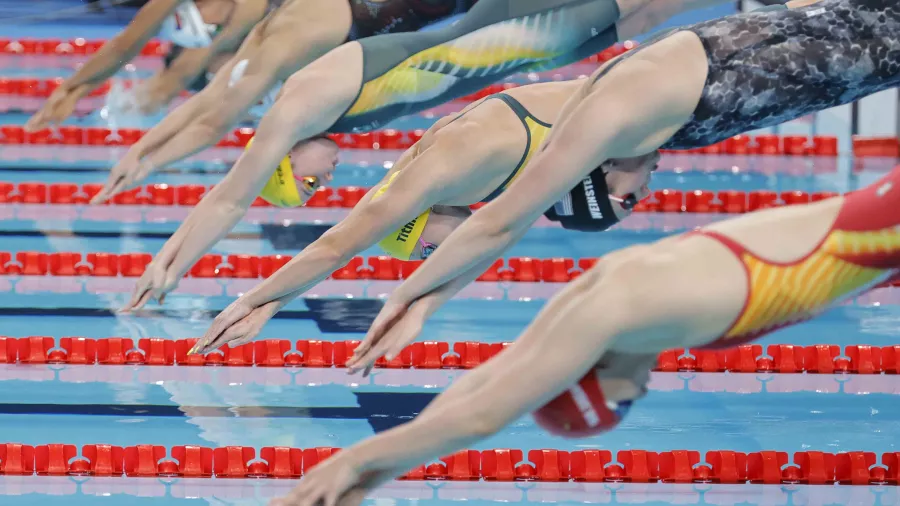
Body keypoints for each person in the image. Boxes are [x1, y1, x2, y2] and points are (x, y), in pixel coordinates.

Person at [258, 157, 900, 505]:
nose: (642, 394)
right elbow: (493, 380)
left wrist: (356, 462)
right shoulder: (611, 299)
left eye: (623, 403)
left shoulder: (631, 307)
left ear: (592, 379)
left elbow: (485, 413)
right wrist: (373, 477)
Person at [91, 0, 730, 202]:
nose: (327, 181)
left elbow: (213, 120)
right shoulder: (335, 106)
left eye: (308, 184)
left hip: (482, 22)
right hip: (500, 36)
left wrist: (143, 158)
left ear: (287, 161)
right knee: (645, 12)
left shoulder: (299, 74)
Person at [120, 78, 656, 313]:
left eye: (304, 183)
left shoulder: (451, 171)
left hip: (506, 34)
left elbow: (332, 239)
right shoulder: (478, 185)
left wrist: (257, 302)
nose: (321, 186)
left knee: (589, 215)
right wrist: (167, 264)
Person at [25, 0, 267, 127]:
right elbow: (126, 45)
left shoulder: (249, 9)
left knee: (163, 95)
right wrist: (71, 89)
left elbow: (181, 75)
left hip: (252, 57)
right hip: (206, 60)